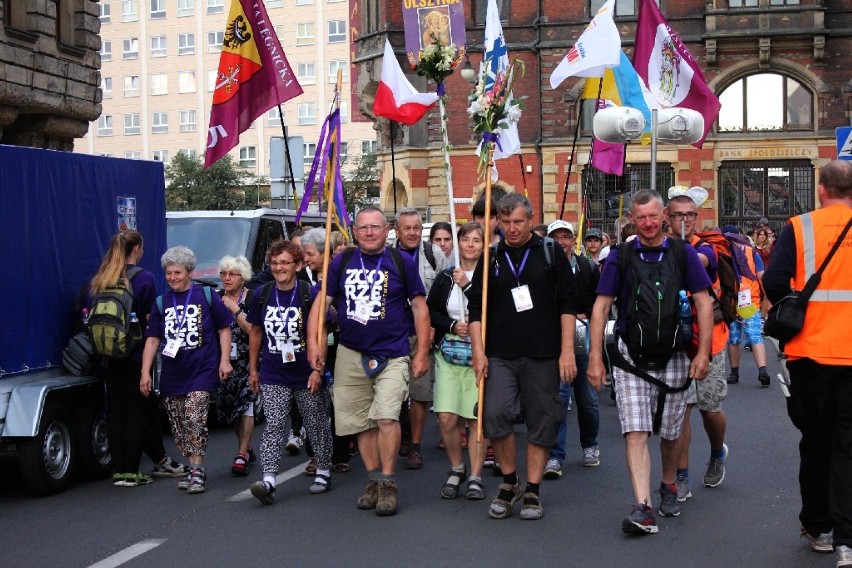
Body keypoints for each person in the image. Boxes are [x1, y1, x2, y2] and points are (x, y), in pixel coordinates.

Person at [587, 189, 713, 535]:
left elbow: (703, 302)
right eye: (640, 217)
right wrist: (596, 357)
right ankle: (642, 505)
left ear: (665, 217)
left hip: (674, 354)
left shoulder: (682, 253)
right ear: (632, 218)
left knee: (672, 432)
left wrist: (703, 353)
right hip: (631, 357)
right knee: (636, 431)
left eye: (653, 216)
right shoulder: (621, 256)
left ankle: (669, 484)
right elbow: (600, 307)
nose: (647, 223)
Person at [307, 206, 431, 516]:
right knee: (362, 423)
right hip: (351, 353)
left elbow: (419, 308)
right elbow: (321, 304)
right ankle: (373, 479)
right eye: (363, 228)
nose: (370, 233)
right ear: (355, 231)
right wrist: (313, 344)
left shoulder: (401, 262)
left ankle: (388, 483)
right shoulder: (342, 261)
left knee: (387, 417)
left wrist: (422, 352)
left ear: (386, 229)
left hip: (393, 353)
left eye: (375, 227)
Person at [468, 194, 579, 521]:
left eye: (518, 222)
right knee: (495, 413)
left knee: (543, 418)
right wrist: (477, 351)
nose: (512, 229)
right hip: (499, 353)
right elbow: (476, 309)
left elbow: (568, 304)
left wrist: (568, 351)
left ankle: (532, 488)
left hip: (543, 353)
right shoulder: (491, 258)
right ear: (498, 223)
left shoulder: (550, 252)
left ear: (530, 219)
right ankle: (508, 481)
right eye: (505, 223)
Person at [763, 160, 852, 566]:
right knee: (847, 446)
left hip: (810, 352)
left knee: (815, 442)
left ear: (821, 190)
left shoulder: (800, 227)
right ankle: (846, 536)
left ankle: (818, 526)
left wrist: (802, 296)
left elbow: (774, 282)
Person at [90, 231, 186, 487]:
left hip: (107, 355)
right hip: (134, 354)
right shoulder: (144, 278)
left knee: (115, 413)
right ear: (138, 248)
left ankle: (119, 470)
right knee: (136, 413)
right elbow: (150, 317)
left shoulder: (102, 278)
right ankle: (132, 472)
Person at [246, 240, 334, 504]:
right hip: (274, 372)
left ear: (297, 265)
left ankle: (323, 469)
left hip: (306, 371)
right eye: (274, 263)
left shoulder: (310, 293)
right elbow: (256, 332)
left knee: (316, 422)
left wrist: (318, 370)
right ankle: (269, 479)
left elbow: (323, 332)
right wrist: (253, 369)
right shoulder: (262, 293)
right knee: (273, 424)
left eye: (284, 262)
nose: (279, 268)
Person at [140, 246, 233, 494]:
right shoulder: (161, 303)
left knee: (194, 416)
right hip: (173, 374)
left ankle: (197, 471)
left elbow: (224, 329)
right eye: (169, 273)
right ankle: (192, 467)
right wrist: (145, 372)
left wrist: (224, 360)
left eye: (177, 273)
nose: (172, 278)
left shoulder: (207, 296)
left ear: (190, 272)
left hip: (202, 370)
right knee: (179, 427)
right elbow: (152, 339)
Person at [665, 187, 732, 503]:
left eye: (690, 214)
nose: (684, 220)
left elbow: (701, 260)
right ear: (668, 216)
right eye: (677, 214)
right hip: (674, 341)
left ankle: (718, 451)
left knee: (710, 408)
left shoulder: (707, 247)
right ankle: (681, 477)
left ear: (697, 217)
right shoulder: (659, 246)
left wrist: (668, 250)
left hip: (708, 339)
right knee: (681, 411)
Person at [428, 222, 488, 500]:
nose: (471, 245)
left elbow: (492, 309)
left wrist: (470, 285)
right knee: (447, 416)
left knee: (476, 417)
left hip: (480, 355)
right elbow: (431, 312)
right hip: (449, 355)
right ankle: (457, 467)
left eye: (477, 240)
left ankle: (476, 475)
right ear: (458, 243)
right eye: (466, 239)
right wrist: (452, 326)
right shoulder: (445, 277)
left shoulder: (490, 277)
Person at [543, 220, 601, 480]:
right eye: (557, 237)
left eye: (567, 237)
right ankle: (555, 455)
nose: (562, 242)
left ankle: (590, 445)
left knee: (587, 398)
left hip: (584, 338)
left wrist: (584, 315)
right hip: (555, 338)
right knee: (559, 398)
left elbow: (600, 303)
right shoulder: (544, 267)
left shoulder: (588, 267)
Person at [392, 207, 450, 470]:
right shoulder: (386, 254)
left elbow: (446, 294)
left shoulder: (433, 254)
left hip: (422, 333)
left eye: (417, 227)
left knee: (420, 391)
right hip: (391, 335)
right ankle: (403, 430)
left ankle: (414, 446)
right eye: (408, 228)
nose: (413, 233)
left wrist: (436, 326)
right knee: (395, 390)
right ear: (397, 231)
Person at [301, 227, 352, 473]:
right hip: (313, 349)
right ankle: (315, 454)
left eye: (310, 254)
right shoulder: (303, 280)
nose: (307, 259)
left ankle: (341, 453)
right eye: (304, 254)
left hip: (340, 346)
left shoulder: (339, 276)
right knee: (314, 402)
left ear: (325, 253)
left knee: (338, 402)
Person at [217, 255, 260, 477]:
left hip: (248, 361)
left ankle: (241, 453)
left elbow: (253, 330)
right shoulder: (216, 298)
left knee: (247, 405)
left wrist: (235, 309)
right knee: (230, 410)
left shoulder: (252, 298)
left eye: (231, 274)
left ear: (242, 277)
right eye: (223, 274)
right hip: (225, 362)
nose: (226, 278)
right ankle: (246, 446)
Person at [722, 225, 770, 386]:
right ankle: (762, 370)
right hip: (750, 300)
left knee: (734, 338)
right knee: (755, 336)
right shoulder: (752, 253)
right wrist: (766, 300)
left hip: (731, 300)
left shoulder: (723, 253)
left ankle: (734, 373)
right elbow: (762, 278)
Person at [754, 227, 773, 317]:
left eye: (764, 234)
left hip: (768, 273)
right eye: (760, 234)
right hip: (757, 274)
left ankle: (763, 315)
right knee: (759, 294)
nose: (762, 236)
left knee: (766, 294)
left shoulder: (770, 247)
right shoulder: (753, 248)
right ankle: (759, 314)